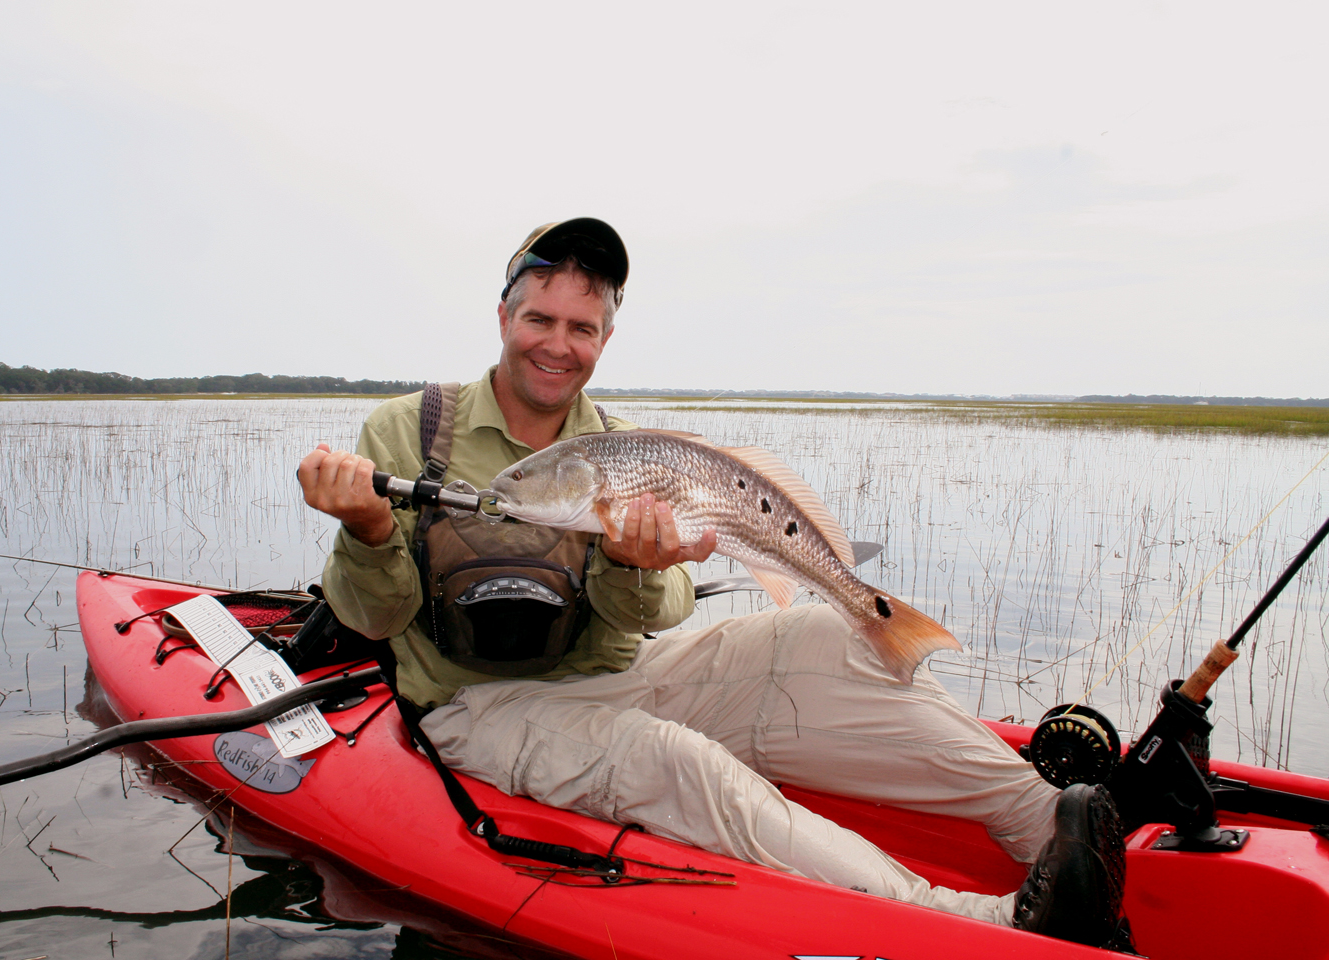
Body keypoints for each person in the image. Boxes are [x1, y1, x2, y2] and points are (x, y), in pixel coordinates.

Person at [297, 218, 1130, 948]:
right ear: (504, 315)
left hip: (618, 676)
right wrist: (367, 529)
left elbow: (645, 623)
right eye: (540, 318)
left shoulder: (624, 449)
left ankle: (1052, 821)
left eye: (582, 327)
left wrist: (635, 563)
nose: (558, 343)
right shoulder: (409, 429)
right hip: (476, 710)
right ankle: (976, 925)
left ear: (605, 339)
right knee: (675, 759)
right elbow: (378, 613)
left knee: (823, 633)